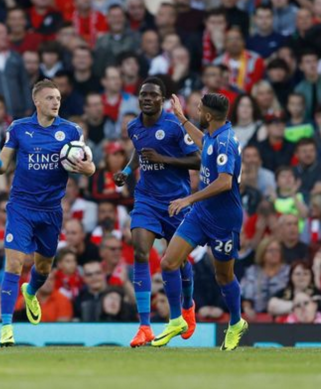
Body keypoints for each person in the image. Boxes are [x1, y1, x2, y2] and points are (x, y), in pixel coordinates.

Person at [0, 79, 96, 347]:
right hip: (21, 207)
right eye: (50, 98)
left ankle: (30, 291)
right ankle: (7, 327)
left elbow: (89, 166)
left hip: (51, 210)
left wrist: (86, 169)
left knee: (43, 267)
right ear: (37, 101)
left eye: (58, 98)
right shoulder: (19, 128)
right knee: (13, 263)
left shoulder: (71, 131)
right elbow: (3, 167)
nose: (56, 102)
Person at [150, 93, 247, 351]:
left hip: (224, 221)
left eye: (198, 109)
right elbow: (204, 144)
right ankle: (176, 319)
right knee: (169, 262)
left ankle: (236, 322)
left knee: (224, 277)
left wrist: (188, 199)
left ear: (207, 115)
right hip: (201, 215)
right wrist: (182, 119)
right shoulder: (216, 135)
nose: (196, 111)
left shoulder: (226, 142)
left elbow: (225, 182)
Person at [113, 77, 201, 348]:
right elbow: (139, 153)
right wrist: (127, 172)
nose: (146, 99)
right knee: (140, 250)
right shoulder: (133, 126)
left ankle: (187, 307)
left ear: (162, 100)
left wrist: (165, 159)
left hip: (176, 201)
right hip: (147, 200)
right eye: (143, 95)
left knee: (179, 262)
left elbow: (198, 159)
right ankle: (144, 326)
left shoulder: (174, 126)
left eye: (152, 95)